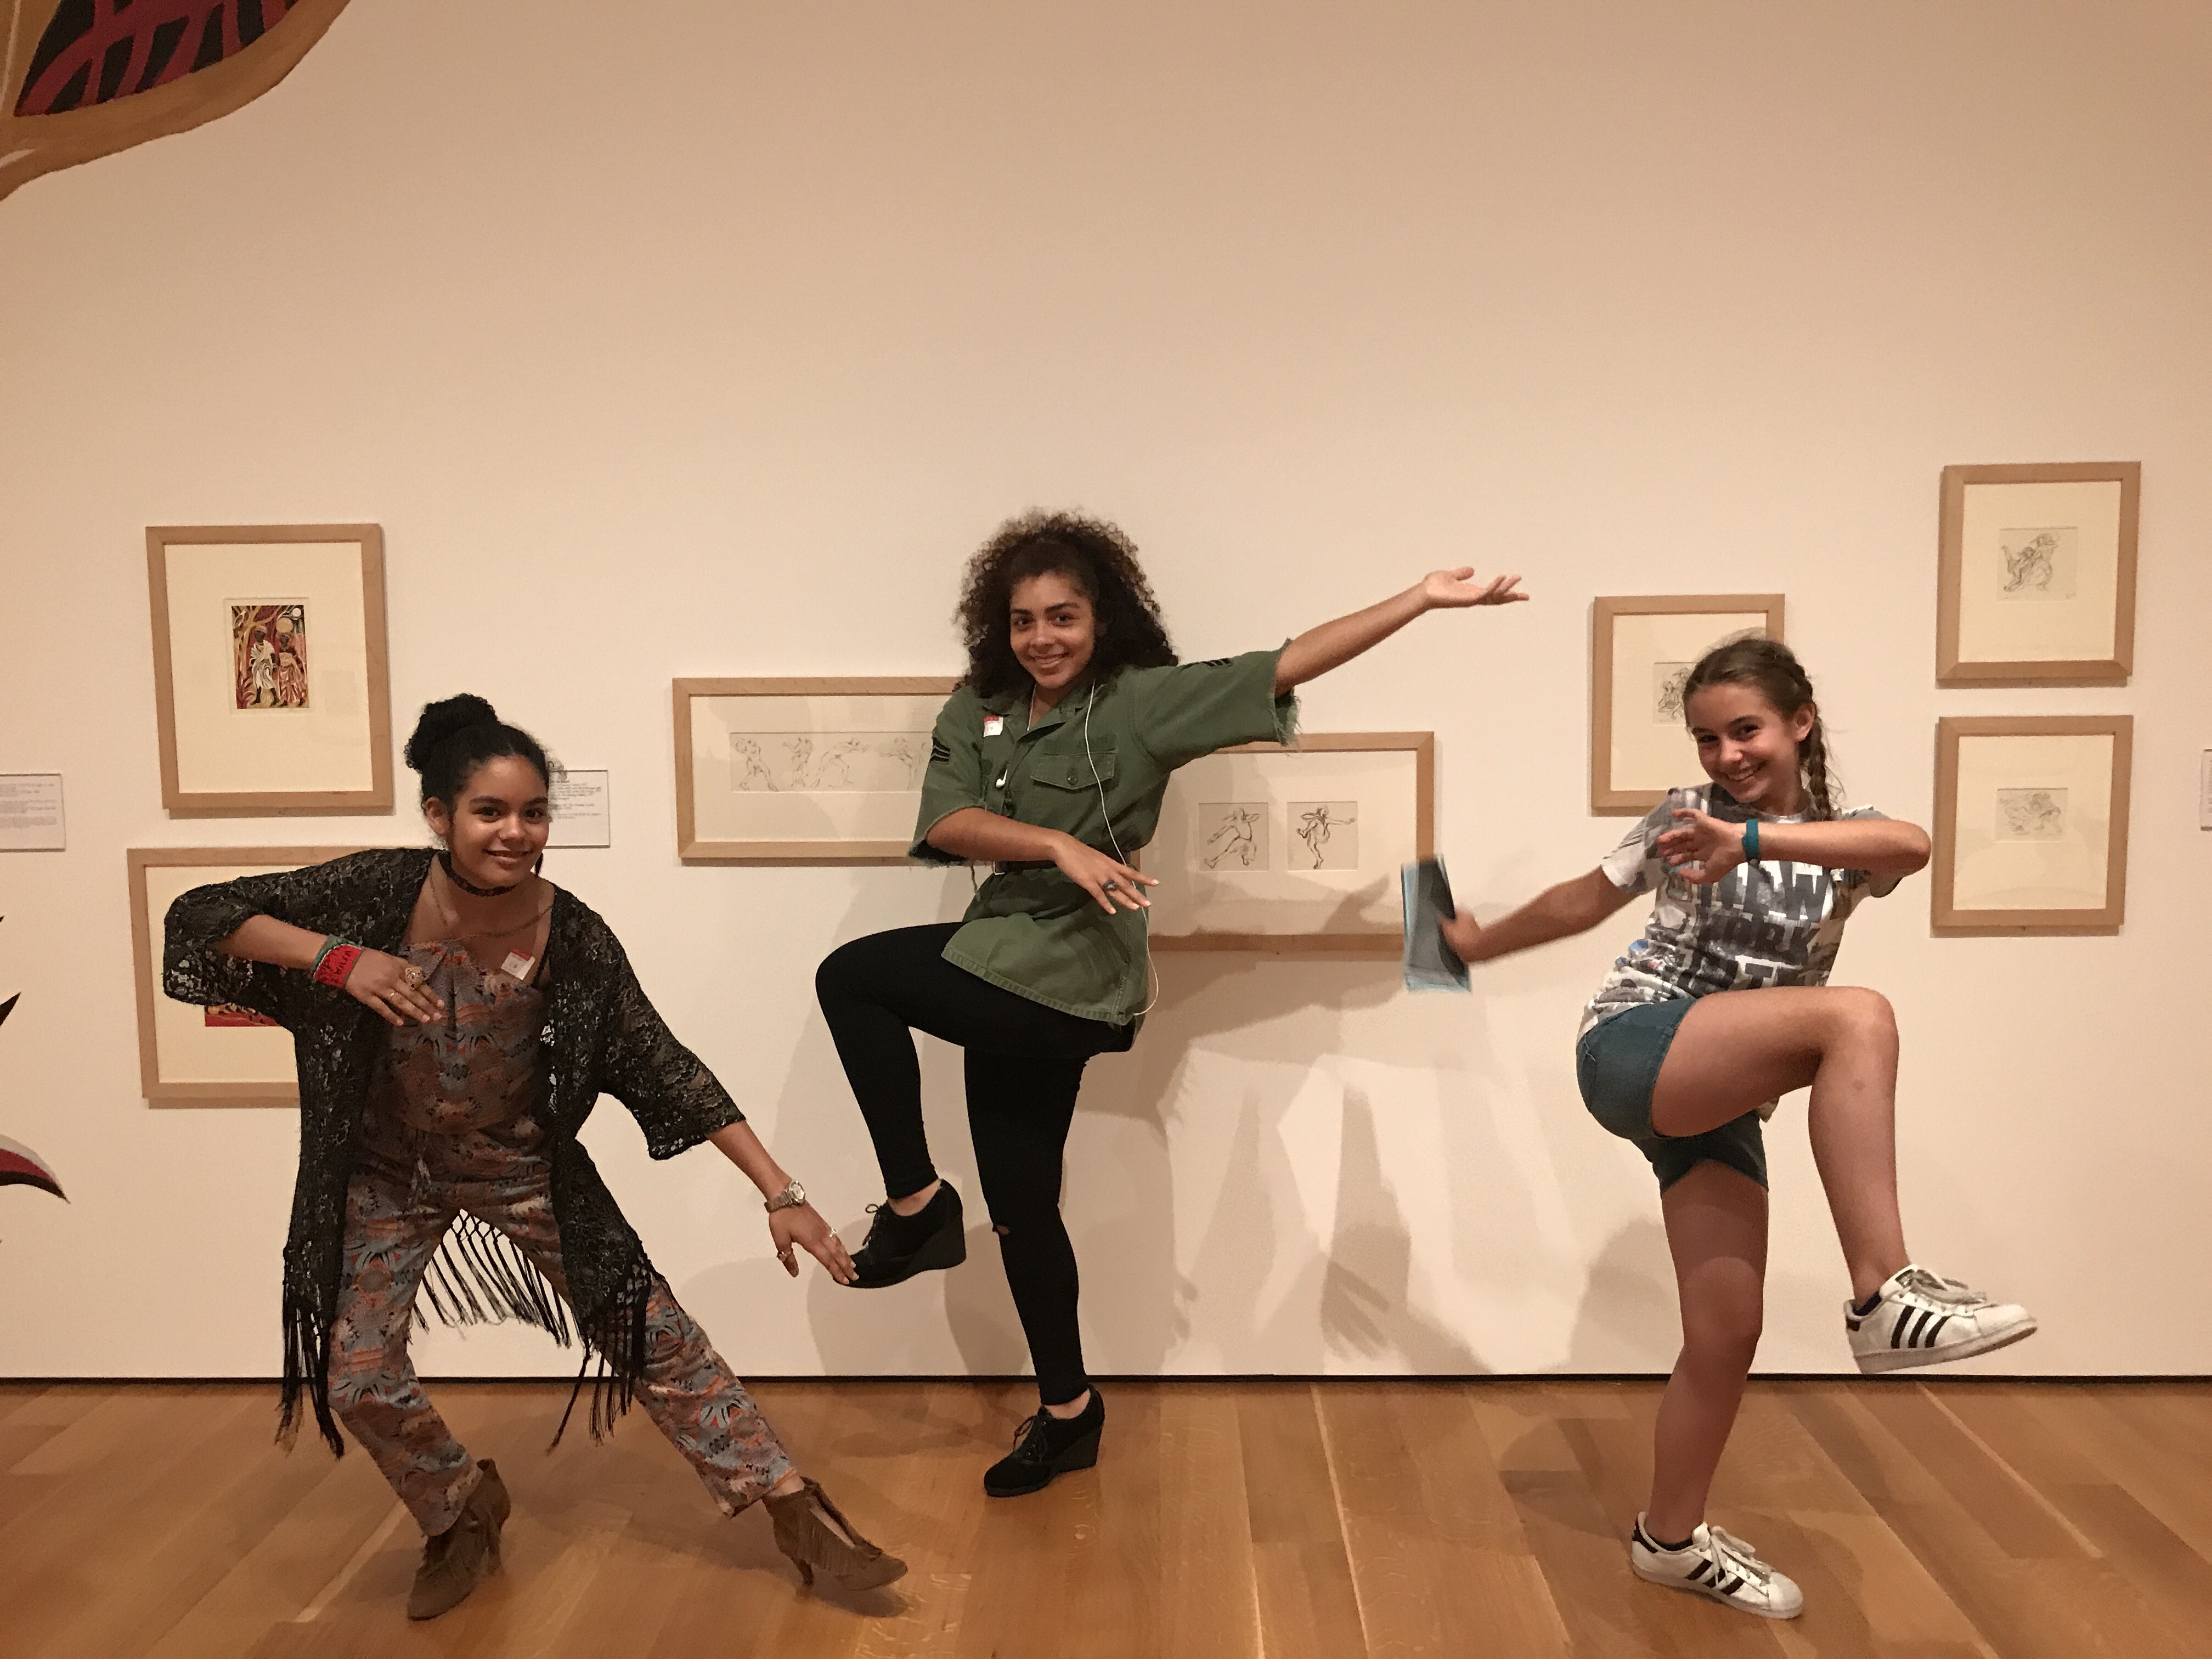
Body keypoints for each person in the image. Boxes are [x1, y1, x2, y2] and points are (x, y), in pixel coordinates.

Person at [814, 510, 1526, 1497]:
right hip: (995, 956)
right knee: (1021, 1212)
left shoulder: (1139, 704)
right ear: (1000, 626)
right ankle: (1070, 1414)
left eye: (1063, 617)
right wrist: (1056, 844)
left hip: (1074, 977)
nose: (1042, 638)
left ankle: (919, 1208)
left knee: (851, 976)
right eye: (1023, 620)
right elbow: (948, 820)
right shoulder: (978, 707)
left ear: (1102, 619)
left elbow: (1284, 665)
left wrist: (1420, 599)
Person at [163, 695, 904, 1621]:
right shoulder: (377, 890)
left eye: (533, 812)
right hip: (387, 1168)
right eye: (490, 811)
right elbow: (199, 916)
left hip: (519, 1165)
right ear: (440, 815)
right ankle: (458, 1505)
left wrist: (779, 1190)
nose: (515, 833)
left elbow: (666, 1067)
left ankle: (791, 1505)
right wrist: (339, 960)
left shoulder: (573, 935)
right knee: (356, 1373)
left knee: (648, 1328)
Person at [1438, 636, 2036, 1621]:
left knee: (1726, 1330)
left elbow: (1911, 847)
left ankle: (1670, 1541)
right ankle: (1885, 1295)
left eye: (1744, 731)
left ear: (1800, 722)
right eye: (1707, 739)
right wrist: (1476, 941)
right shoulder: (1684, 817)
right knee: (1858, 1017)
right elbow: (1588, 897)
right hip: (1635, 1043)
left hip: (1717, 1094)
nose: (1726, 756)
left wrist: (1753, 842)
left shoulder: (1840, 840)